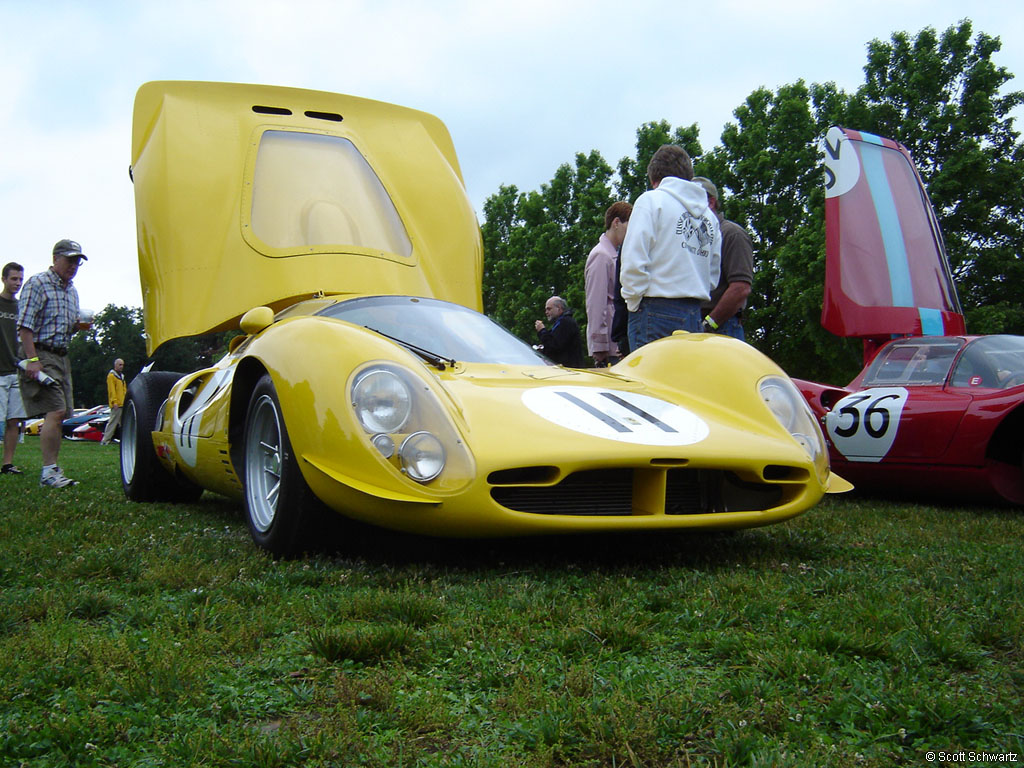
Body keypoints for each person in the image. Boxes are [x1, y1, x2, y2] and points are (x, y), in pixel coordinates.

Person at [619, 145, 721, 351]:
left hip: (653, 310)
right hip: (693, 313)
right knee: (684, 382)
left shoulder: (651, 201)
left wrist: (633, 303)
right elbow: (712, 275)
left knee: (648, 381)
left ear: (655, 180)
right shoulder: (709, 217)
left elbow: (633, 261)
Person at [17, 239, 90, 488]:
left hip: (62, 356)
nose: (74, 266)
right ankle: (49, 473)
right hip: (41, 353)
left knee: (61, 414)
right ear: (55, 259)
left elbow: (68, 328)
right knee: (56, 411)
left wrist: (79, 327)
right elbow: (25, 326)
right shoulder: (38, 283)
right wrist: (32, 360)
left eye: (78, 261)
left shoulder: (72, 292)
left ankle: (53, 469)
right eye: (70, 260)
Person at [693, 177, 753, 341]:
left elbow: (741, 288)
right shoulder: (694, 237)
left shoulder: (732, 234)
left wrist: (709, 324)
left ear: (711, 202)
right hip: (695, 325)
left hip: (722, 328)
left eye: (694, 200)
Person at [585, 202, 632, 366]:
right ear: (616, 223)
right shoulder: (601, 255)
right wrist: (599, 345)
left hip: (616, 342)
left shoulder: (613, 255)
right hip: (609, 346)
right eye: (629, 226)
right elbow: (596, 303)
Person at [1, 262, 27, 475]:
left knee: (14, 421)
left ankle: (7, 464)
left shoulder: (21, 308)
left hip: (16, 371)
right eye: (13, 279)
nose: (17, 283)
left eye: (20, 279)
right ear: (4, 279)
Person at [534, 296, 584, 367]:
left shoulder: (566, 322)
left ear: (559, 308)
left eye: (549, 309)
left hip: (568, 370)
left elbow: (554, 345)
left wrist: (542, 331)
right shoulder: (562, 322)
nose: (546, 312)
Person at [100, 357, 126, 445]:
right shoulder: (111, 376)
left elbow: (124, 390)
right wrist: (114, 402)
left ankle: (125, 441)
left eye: (122, 365)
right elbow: (111, 390)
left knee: (124, 423)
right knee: (112, 422)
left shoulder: (121, 377)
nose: (121, 367)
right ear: (115, 365)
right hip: (117, 404)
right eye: (120, 365)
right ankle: (105, 440)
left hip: (122, 403)